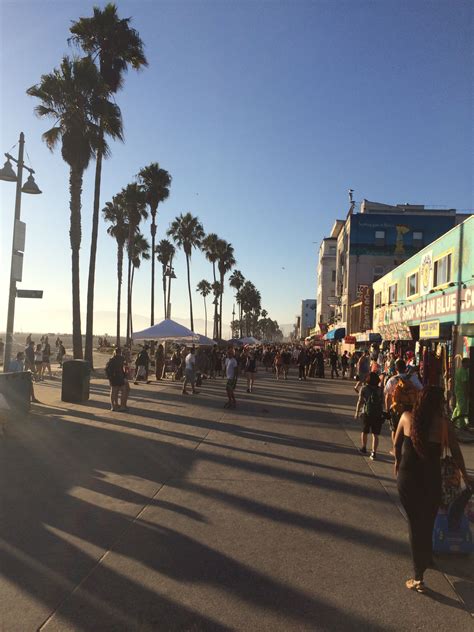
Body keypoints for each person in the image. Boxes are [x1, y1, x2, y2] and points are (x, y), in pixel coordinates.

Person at [394, 386, 472, 593]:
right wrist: (465, 475)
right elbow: (456, 453)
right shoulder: (444, 425)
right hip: (431, 481)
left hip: (408, 479)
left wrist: (396, 462)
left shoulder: (406, 417)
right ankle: (426, 560)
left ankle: (418, 576)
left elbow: (396, 444)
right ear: (439, 404)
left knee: (414, 524)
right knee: (427, 522)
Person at [385, 359, 422, 452]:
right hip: (410, 407)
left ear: (396, 369)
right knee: (410, 428)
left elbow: (387, 396)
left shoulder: (392, 380)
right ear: (405, 368)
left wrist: (387, 409)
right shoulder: (413, 378)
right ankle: (409, 449)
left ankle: (395, 449)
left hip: (396, 408)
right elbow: (421, 389)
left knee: (394, 429)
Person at [355, 372, 384, 460]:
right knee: (375, 434)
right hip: (377, 413)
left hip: (366, 412)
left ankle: (364, 448)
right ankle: (374, 452)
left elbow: (360, 401)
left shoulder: (364, 388)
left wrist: (357, 412)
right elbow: (382, 402)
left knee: (365, 431)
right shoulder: (380, 390)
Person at [105, 348, 129, 412]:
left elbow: (107, 369)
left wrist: (109, 377)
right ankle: (122, 406)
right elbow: (124, 368)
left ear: (114, 352)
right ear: (120, 352)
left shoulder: (111, 359)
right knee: (124, 390)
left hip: (113, 377)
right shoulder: (122, 359)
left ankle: (113, 406)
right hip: (120, 376)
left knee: (113, 391)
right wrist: (125, 376)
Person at [451, 358, 470, 429]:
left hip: (458, 391)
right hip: (461, 391)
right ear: (464, 363)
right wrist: (466, 392)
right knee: (462, 408)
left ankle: (453, 420)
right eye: (468, 363)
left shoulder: (461, 370)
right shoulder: (463, 372)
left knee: (458, 406)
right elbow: (464, 383)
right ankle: (461, 424)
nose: (469, 364)